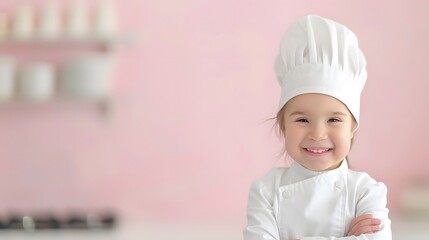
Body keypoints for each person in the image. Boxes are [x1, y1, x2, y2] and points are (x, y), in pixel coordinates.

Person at [243, 15, 392, 240]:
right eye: (302, 120)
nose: (317, 134)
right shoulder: (265, 192)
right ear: (283, 126)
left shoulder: (366, 191)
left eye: (333, 120)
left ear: (353, 128)